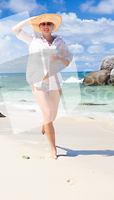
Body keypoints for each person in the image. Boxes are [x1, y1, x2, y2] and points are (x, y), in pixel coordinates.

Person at [12, 14, 72, 159]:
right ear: (39, 27)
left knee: (53, 116)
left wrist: (59, 57)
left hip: (55, 83)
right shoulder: (33, 40)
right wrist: (30, 19)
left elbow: (67, 62)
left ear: (53, 26)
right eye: (43, 24)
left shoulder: (60, 42)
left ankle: (43, 122)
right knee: (48, 115)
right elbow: (15, 29)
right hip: (38, 82)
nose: (46, 26)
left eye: (48, 24)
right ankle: (53, 150)